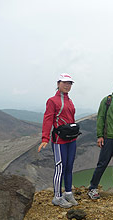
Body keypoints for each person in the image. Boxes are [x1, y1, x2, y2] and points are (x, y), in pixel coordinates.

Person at [38, 73, 79, 208]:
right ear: (58, 84)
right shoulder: (52, 101)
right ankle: (57, 196)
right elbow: (48, 119)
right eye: (64, 83)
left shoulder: (70, 100)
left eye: (69, 83)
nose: (67, 85)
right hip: (59, 140)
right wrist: (45, 138)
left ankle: (68, 193)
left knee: (69, 167)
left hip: (71, 139)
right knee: (60, 167)